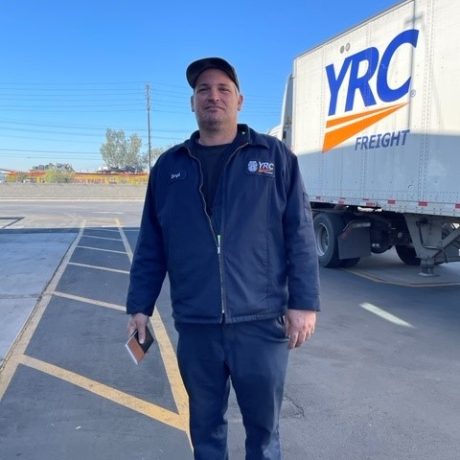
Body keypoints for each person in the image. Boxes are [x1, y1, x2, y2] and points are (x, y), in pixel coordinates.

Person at [126, 57, 320, 460]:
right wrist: (139, 306)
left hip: (261, 325)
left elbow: (299, 233)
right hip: (197, 328)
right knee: (206, 431)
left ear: (240, 100)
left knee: (264, 434)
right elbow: (151, 243)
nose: (212, 96)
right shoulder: (169, 167)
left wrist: (303, 303)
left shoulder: (274, 157)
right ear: (192, 103)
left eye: (222, 89)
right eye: (203, 90)